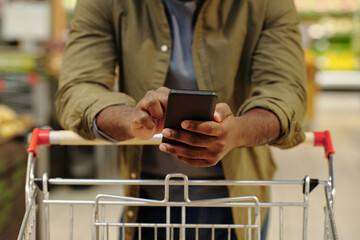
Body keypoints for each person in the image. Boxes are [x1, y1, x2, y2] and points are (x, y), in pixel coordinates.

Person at [55, 0, 307, 239]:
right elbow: (78, 88)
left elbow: (286, 91)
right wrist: (132, 117)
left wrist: (237, 132)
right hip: (145, 200)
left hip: (238, 202)